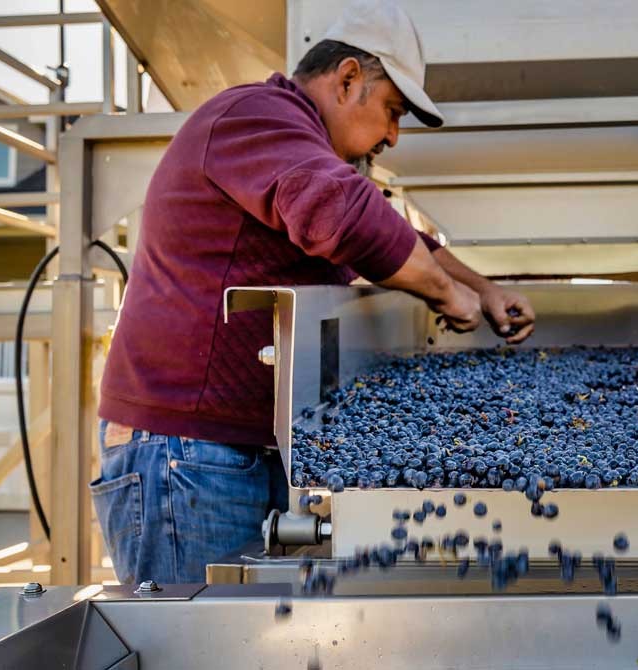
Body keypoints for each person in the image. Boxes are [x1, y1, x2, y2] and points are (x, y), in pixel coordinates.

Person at [91, 0, 535, 585]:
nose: (393, 137)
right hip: (187, 453)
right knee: (196, 645)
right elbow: (348, 219)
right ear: (348, 78)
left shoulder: (299, 148)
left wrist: (484, 287)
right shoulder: (257, 115)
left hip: (245, 448)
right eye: (392, 111)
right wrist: (447, 297)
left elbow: (394, 232)